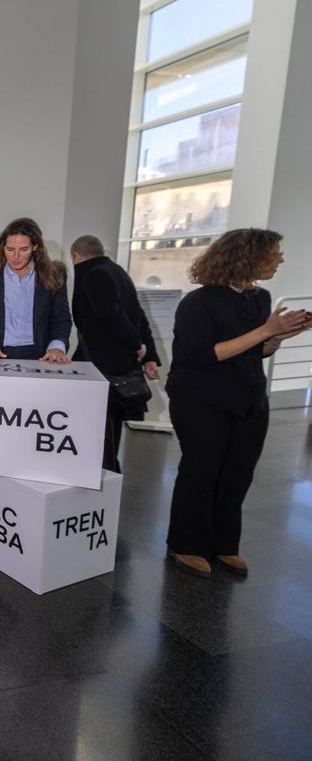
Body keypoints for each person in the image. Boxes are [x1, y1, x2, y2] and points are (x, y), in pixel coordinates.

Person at [164, 229, 311, 578]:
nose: (281, 258)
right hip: (200, 397)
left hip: (247, 397)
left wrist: (277, 336)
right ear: (247, 256)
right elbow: (204, 355)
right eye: (275, 252)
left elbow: (254, 350)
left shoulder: (260, 298)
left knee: (237, 473)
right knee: (202, 471)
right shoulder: (197, 303)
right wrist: (264, 331)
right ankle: (186, 545)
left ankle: (223, 544)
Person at [69, 235, 161, 473]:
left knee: (99, 431)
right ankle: (107, 475)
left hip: (102, 366)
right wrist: (149, 354)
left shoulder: (93, 275)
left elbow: (112, 316)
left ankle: (102, 480)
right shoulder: (117, 271)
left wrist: (137, 345)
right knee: (111, 430)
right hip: (119, 365)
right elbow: (138, 315)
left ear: (75, 256)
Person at [0, 218, 72, 363]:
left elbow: (61, 318)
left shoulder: (54, 274)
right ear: (2, 248)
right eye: (10, 250)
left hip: (41, 355)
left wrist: (57, 347)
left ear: (35, 247)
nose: (16, 256)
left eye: (24, 249)